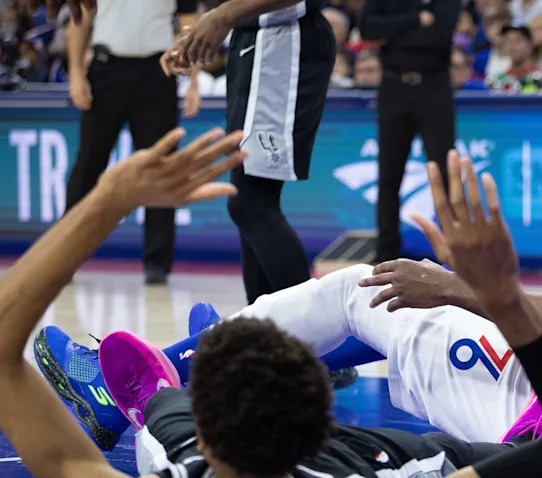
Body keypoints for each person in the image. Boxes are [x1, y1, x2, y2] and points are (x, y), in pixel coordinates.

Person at [38, 60, 542, 470]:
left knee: (365, 288)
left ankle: (130, 385)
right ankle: (231, 351)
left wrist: (459, 286)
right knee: (395, 315)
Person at [0, 126, 542, 478]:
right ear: (322, 422)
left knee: (165, 433)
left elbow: (3, 349)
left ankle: (159, 396)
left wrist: (108, 201)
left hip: (199, 470)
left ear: (214, 436)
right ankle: (516, 444)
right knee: (443, 457)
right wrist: (503, 299)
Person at [160, 0, 336, 306]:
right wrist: (202, 30)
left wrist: (224, 14)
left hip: (283, 41)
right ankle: (264, 330)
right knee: (252, 200)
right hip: (254, 41)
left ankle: (315, 329)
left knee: (250, 203)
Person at [64, 0, 200, 285]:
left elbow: (190, 23)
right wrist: (76, 74)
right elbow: (80, 21)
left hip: (158, 71)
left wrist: (194, 81)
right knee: (89, 165)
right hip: (105, 69)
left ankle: (157, 263)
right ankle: (63, 257)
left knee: (160, 168)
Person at [359, 0, 459, 263]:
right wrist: (415, 19)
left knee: (444, 171)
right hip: (393, 88)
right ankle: (386, 251)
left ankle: (458, 250)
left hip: (434, 90)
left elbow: (439, 38)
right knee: (388, 175)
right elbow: (367, 28)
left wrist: (392, 34)